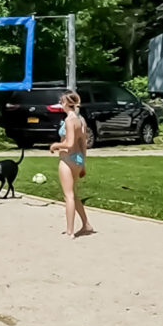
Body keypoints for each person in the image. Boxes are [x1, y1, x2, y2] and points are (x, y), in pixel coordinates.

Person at [50, 90, 94, 238]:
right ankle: (86, 224)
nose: (60, 105)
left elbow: (69, 144)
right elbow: (83, 144)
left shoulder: (70, 120)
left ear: (66, 104)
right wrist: (83, 164)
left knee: (68, 195)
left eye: (62, 102)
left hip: (67, 159)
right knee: (74, 194)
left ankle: (70, 231)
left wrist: (55, 145)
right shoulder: (81, 120)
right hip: (78, 158)